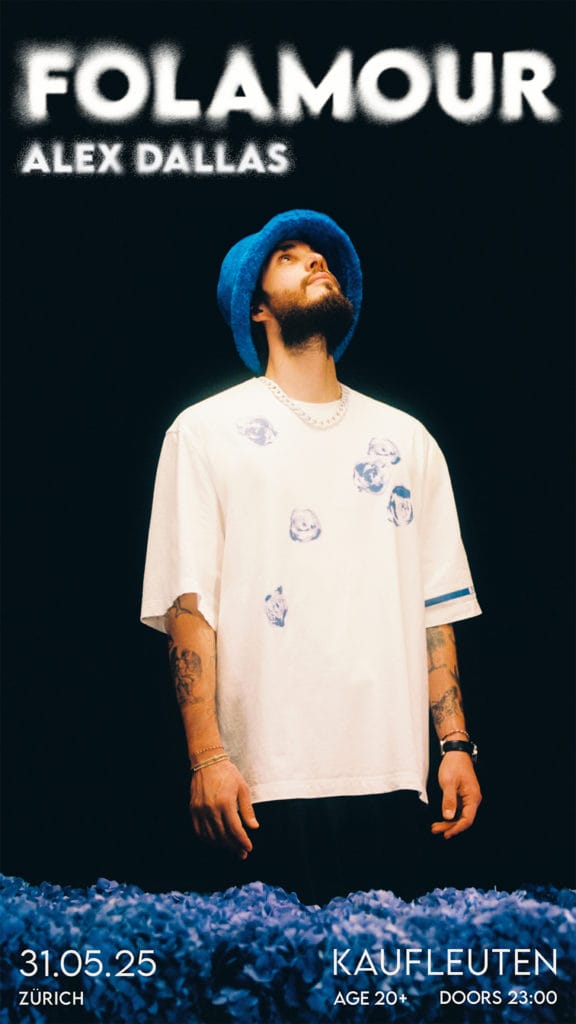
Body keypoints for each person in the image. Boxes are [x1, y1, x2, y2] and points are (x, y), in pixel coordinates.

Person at [141, 209, 482, 904]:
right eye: (289, 257)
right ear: (256, 306)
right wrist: (206, 757)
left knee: (388, 966)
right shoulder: (203, 433)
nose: (315, 261)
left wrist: (454, 746)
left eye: (320, 255)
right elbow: (188, 606)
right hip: (266, 782)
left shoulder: (409, 439)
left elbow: (436, 606)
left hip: (394, 775)